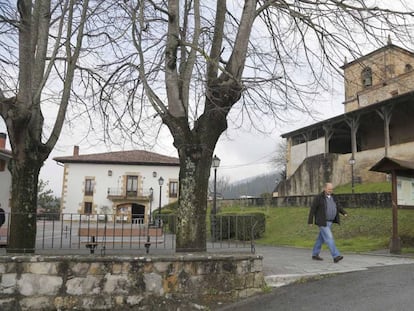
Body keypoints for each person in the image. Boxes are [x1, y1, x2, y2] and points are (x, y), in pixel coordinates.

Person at [308, 182, 347, 263]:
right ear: (325, 188)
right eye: (329, 189)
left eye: (332, 189)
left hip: (330, 222)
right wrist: (310, 221)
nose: (330, 190)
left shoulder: (333, 197)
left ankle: (315, 254)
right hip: (322, 222)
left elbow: (338, 206)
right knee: (329, 238)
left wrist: (344, 212)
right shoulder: (319, 197)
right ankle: (336, 256)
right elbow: (312, 209)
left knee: (320, 239)